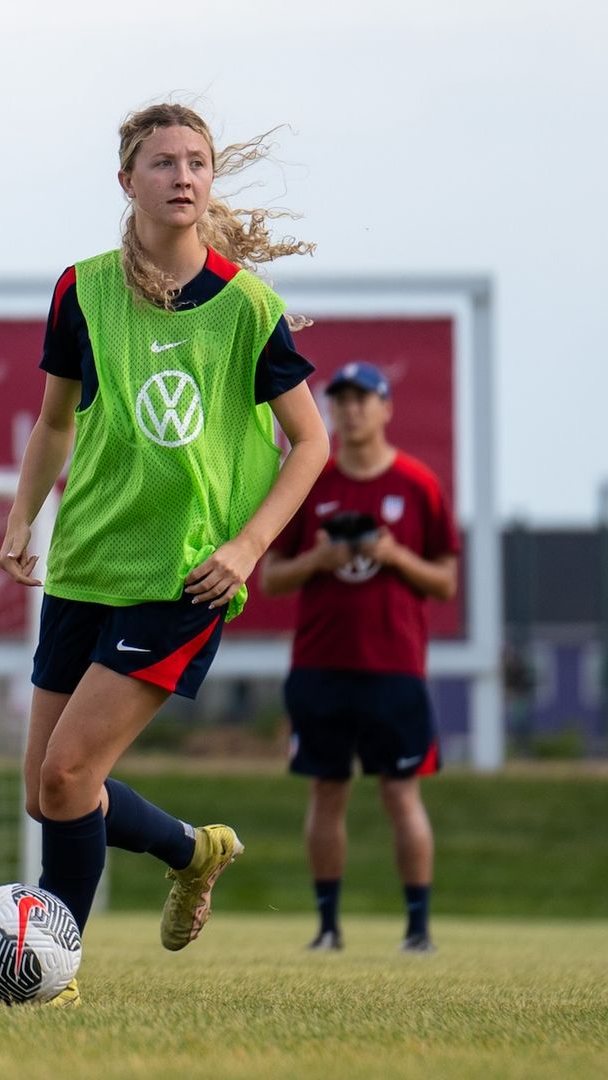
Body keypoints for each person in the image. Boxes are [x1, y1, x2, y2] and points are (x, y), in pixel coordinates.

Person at [0, 102, 329, 1005]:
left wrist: (249, 546)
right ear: (126, 181)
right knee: (46, 791)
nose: (183, 175)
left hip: (183, 578)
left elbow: (311, 444)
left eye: (197, 162)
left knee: (70, 776)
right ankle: (192, 849)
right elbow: (56, 419)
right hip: (86, 566)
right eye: (163, 162)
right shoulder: (82, 289)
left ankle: (48, 972)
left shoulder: (247, 305)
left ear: (210, 182)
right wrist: (24, 518)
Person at [259, 360, 459, 954]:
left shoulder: (418, 483)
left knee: (401, 792)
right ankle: (327, 927)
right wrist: (318, 561)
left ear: (385, 407)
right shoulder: (312, 479)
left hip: (395, 667)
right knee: (327, 790)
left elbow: (446, 581)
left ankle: (418, 929)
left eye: (362, 400)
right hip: (321, 664)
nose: (350, 411)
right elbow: (272, 576)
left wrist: (394, 555)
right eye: (340, 401)